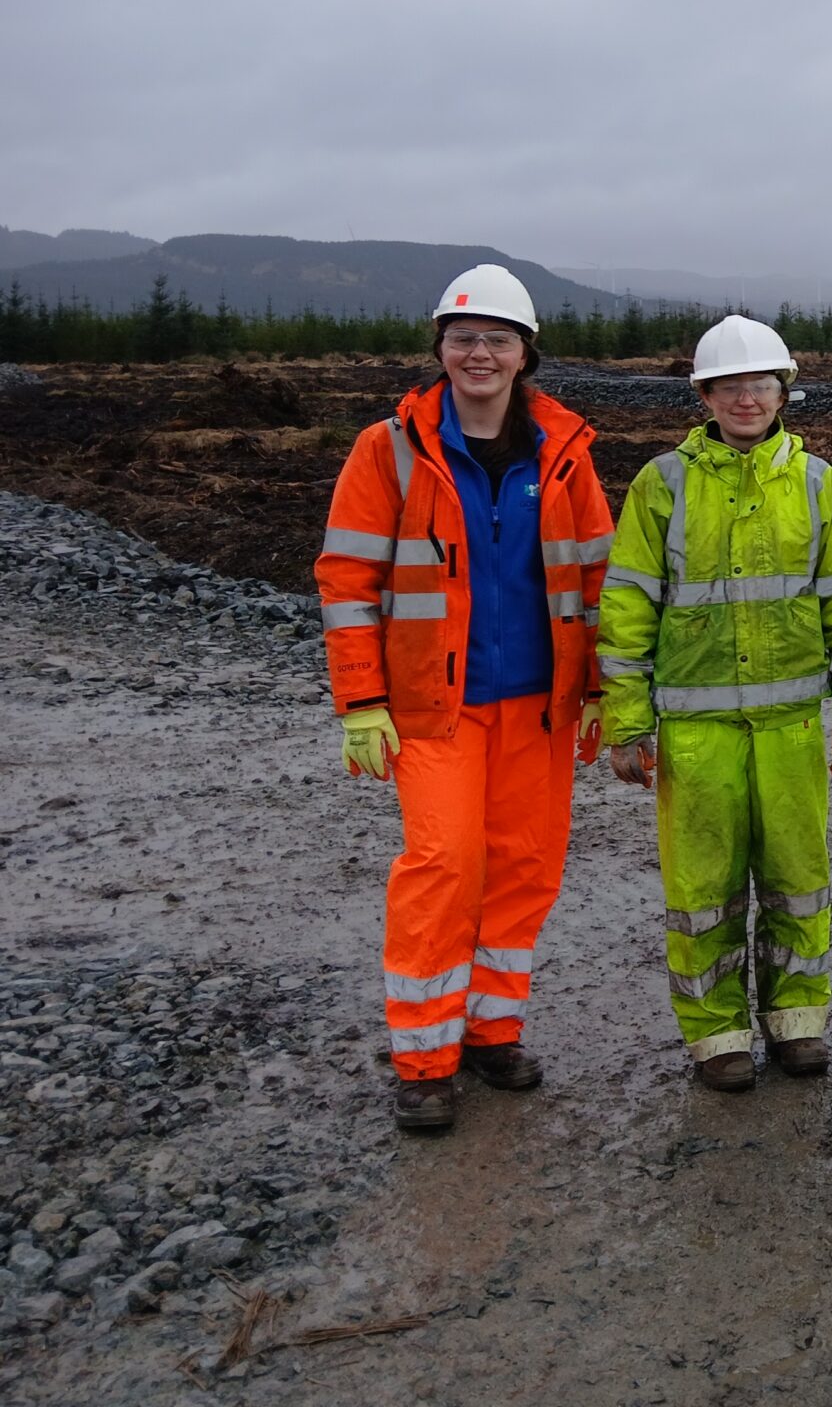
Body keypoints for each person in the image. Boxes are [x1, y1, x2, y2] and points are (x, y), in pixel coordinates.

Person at [315, 264, 615, 1133]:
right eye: (463, 338)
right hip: (431, 709)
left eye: (498, 339)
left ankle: (491, 1031)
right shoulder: (392, 448)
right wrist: (361, 700)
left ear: (526, 355)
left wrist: (599, 686)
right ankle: (424, 1058)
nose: (479, 353)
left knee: (524, 867)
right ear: (439, 349)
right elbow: (347, 578)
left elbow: (598, 580)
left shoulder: (564, 455)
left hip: (538, 705)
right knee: (443, 867)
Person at [597, 315, 832, 1090]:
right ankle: (717, 1035)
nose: (746, 398)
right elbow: (627, 608)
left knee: (798, 876)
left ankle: (797, 1023)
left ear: (783, 390)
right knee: (702, 891)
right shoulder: (663, 485)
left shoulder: (818, 485)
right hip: (696, 733)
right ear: (704, 394)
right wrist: (626, 719)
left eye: (760, 383)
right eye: (730, 384)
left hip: (791, 727)